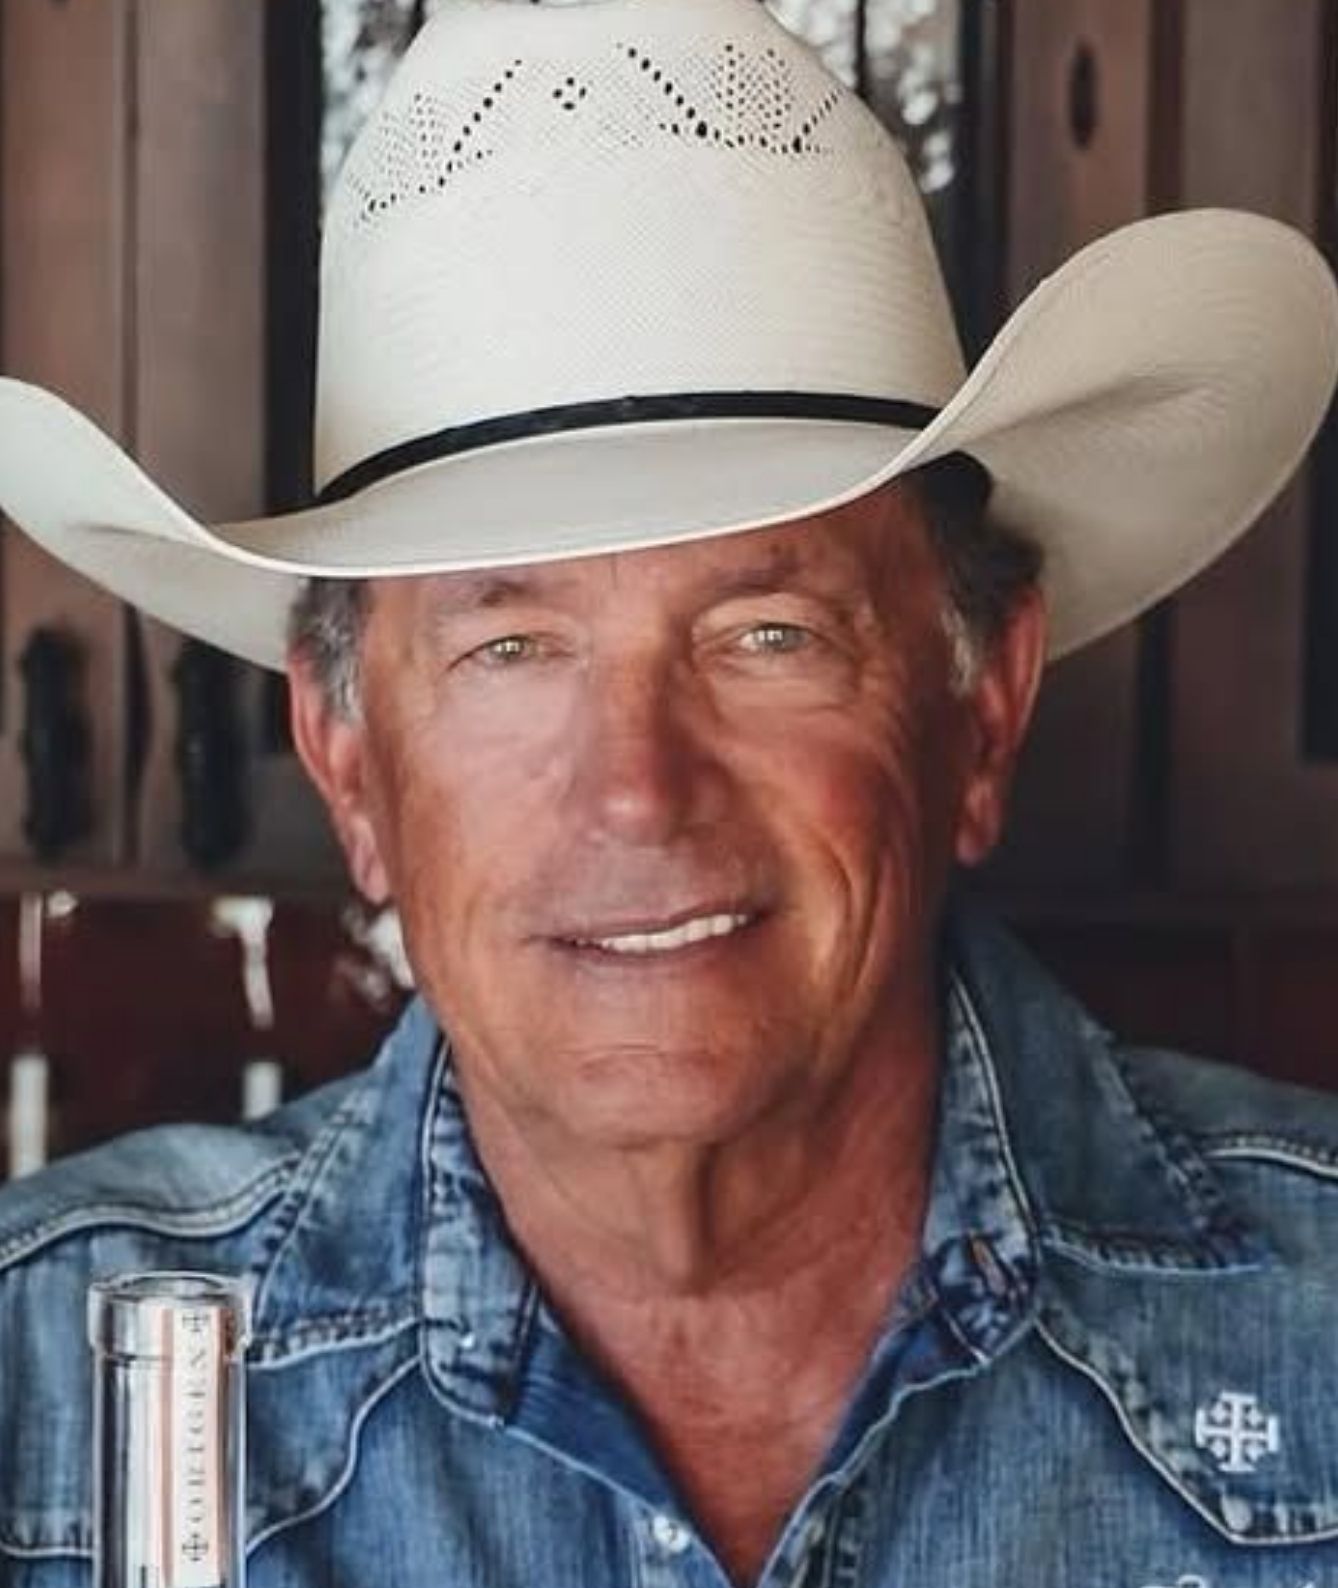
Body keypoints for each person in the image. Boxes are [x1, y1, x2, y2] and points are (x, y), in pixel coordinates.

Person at [2, 0, 1338, 1583]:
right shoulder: (37, 1383)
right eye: (510, 649)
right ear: (347, 759)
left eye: (766, 635)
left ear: (981, 708)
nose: (636, 791)